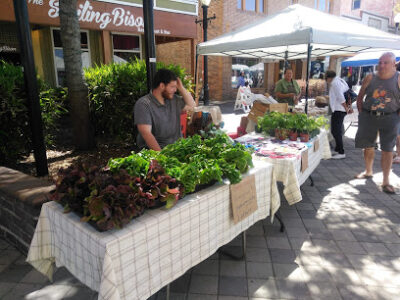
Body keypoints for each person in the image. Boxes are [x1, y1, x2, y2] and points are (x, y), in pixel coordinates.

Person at [354, 52, 400, 194]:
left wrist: (397, 118)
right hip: (369, 117)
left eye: (385, 62)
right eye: (380, 62)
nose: (381, 65)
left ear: (393, 64)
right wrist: (362, 114)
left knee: (387, 150)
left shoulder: (398, 78)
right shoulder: (370, 77)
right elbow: (360, 97)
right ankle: (368, 171)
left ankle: (386, 181)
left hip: (390, 118)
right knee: (368, 146)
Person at [134, 69, 195, 151]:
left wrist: (181, 88)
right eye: (172, 87)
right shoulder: (144, 104)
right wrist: (161, 157)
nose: (175, 90)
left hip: (177, 150)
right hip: (154, 153)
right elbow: (146, 134)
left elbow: (192, 106)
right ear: (162, 86)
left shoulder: (174, 100)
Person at [325, 70, 353, 159]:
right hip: (340, 109)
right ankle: (337, 149)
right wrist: (349, 107)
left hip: (338, 109)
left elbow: (341, 97)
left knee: (335, 131)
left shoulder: (335, 83)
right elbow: (348, 94)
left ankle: (341, 152)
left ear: (329, 78)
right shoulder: (341, 80)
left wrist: (346, 108)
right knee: (337, 130)